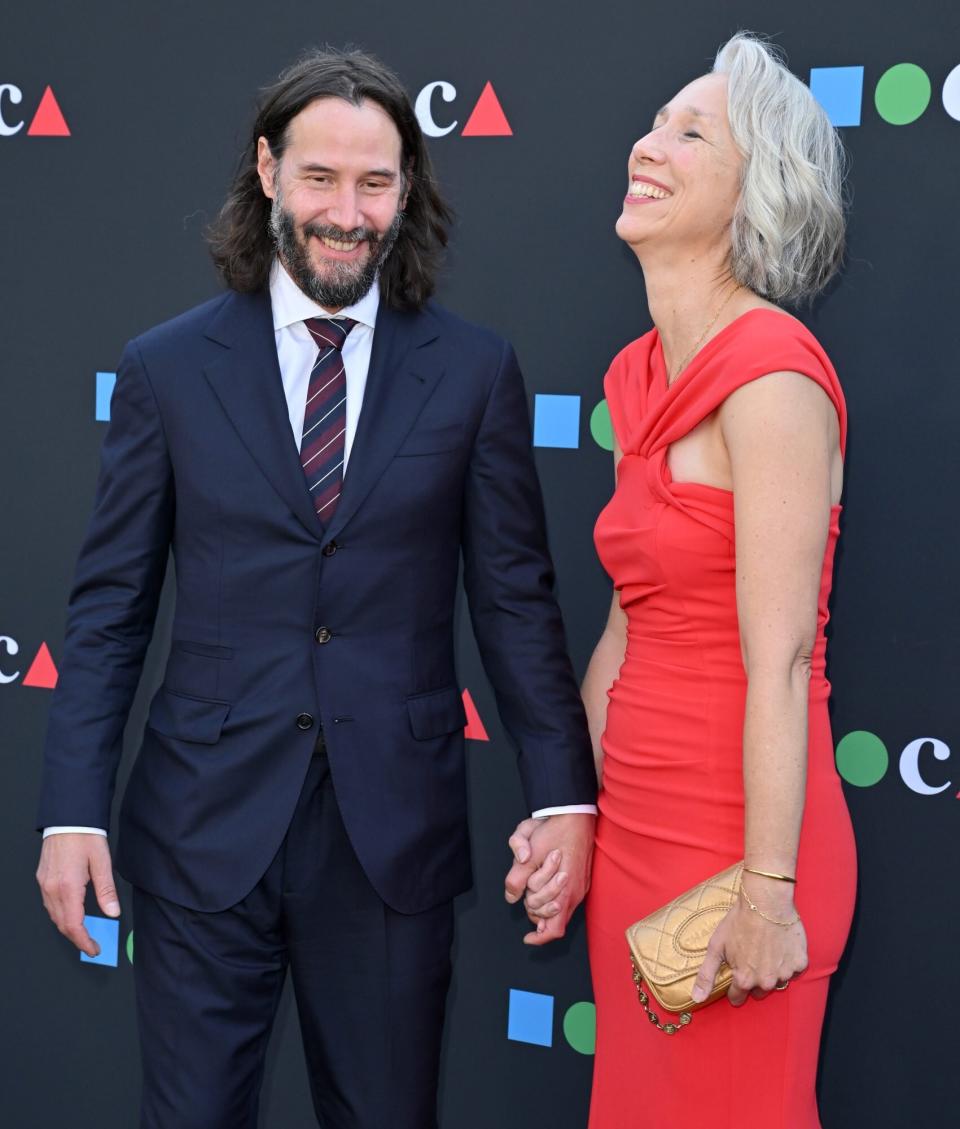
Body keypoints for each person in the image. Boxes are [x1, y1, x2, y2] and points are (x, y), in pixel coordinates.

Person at [35, 48, 597, 1129]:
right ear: (267, 171)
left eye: (375, 183)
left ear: (408, 191)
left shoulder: (474, 372)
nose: (347, 212)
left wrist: (564, 796)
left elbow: (517, 602)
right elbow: (106, 614)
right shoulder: (166, 367)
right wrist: (71, 813)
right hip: (202, 827)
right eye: (321, 178)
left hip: (393, 838)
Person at [517, 30, 857, 1128]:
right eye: (656, 120)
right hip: (638, 831)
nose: (647, 144)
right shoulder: (642, 377)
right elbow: (627, 625)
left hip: (743, 846)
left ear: (759, 187)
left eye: (691, 130)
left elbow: (785, 656)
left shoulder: (772, 380)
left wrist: (769, 893)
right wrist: (572, 807)